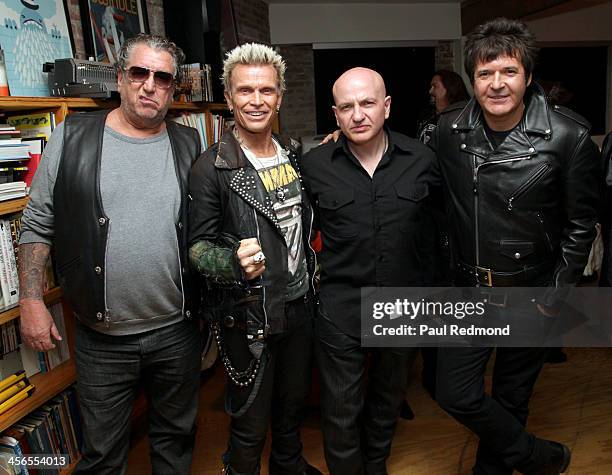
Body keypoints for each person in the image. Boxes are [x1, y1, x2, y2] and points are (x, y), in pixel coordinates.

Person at [18, 34, 202, 474]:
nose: (149, 86)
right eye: (139, 73)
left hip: (177, 332)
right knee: (102, 456)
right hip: (102, 339)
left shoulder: (190, 144)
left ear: (172, 89)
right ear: (120, 78)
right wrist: (29, 300)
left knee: (175, 446)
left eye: (162, 77)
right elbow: (37, 222)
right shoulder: (72, 137)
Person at [431, 18, 601, 474]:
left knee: (511, 397)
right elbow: (416, 173)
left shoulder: (569, 136)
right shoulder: (449, 130)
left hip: (532, 292)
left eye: (508, 71)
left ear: (527, 75)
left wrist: (556, 294)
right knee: (455, 394)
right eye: (485, 73)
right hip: (469, 291)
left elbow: (583, 223)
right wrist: (344, 143)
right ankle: (539, 457)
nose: (497, 84)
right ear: (472, 79)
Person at [188, 43, 321, 475]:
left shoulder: (294, 154)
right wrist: (231, 263)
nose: (256, 100)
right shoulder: (212, 167)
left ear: (280, 96)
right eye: (245, 91)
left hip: (301, 308)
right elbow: (197, 249)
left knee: (291, 409)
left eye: (266, 90)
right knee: (250, 423)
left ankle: (289, 465)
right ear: (228, 98)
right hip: (250, 316)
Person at [301, 67, 437, 474]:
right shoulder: (314, 165)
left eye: (367, 103)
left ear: (387, 107)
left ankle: (375, 467)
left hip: (402, 307)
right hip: (341, 309)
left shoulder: (423, 159)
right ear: (336, 114)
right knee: (341, 413)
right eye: (347, 106)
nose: (358, 114)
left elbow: (441, 231)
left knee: (386, 402)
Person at [417, 69, 470, 145]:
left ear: (450, 89)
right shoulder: (426, 115)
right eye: (431, 86)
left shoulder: (464, 121)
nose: (430, 91)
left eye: (435, 86)